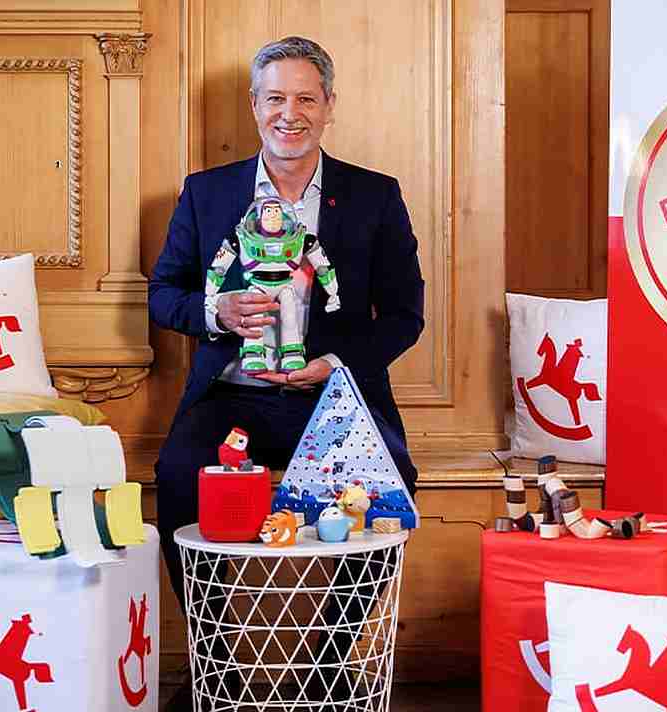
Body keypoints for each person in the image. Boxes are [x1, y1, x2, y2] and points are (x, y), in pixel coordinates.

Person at [149, 35, 424, 709]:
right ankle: (217, 667)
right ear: (254, 105)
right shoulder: (207, 193)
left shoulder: (375, 196)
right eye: (275, 98)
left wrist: (335, 362)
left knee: (392, 474)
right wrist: (216, 311)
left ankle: (331, 662)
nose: (289, 114)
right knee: (177, 473)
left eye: (306, 98)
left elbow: (405, 315)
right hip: (231, 399)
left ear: (328, 105)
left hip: (332, 395)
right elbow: (163, 293)